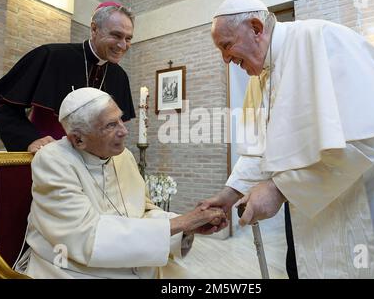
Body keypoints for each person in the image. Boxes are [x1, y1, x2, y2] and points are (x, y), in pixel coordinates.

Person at [201, 0, 374, 278]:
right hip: (339, 189)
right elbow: (259, 147)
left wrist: (279, 189)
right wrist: (229, 194)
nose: (226, 59)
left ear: (256, 28)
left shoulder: (320, 39)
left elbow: (365, 140)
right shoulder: (264, 73)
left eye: (226, 46)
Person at [15, 87, 225, 278]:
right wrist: (180, 223)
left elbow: (142, 211)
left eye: (121, 120)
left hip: (135, 264)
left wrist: (186, 227)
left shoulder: (123, 156)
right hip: (72, 267)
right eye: (111, 125)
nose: (124, 131)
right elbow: (86, 237)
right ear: (78, 139)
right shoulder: (53, 161)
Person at [0, 1, 135, 153]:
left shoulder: (120, 76)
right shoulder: (51, 56)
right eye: (116, 35)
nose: (123, 45)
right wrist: (30, 140)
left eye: (128, 39)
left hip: (95, 167)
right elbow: (3, 106)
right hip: (50, 161)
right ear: (94, 29)